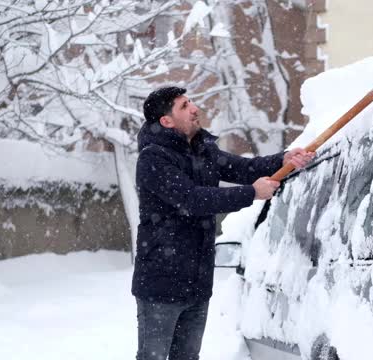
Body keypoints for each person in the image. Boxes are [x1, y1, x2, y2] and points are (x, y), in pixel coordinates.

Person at [132, 86, 315, 360]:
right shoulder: (154, 158)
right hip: (161, 285)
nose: (194, 108)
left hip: (197, 285)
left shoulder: (203, 151)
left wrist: (284, 159)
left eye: (190, 102)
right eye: (184, 106)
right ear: (166, 121)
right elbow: (191, 199)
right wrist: (251, 193)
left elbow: (243, 168)